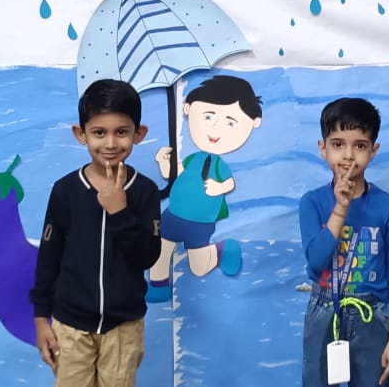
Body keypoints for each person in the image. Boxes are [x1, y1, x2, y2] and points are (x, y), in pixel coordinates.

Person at [31, 79, 163, 387]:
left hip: (123, 327)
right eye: (99, 132)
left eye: (122, 132)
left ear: (139, 133)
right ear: (81, 134)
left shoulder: (145, 191)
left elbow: (147, 256)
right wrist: (41, 319)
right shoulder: (65, 191)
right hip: (70, 326)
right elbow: (49, 258)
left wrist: (120, 211)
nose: (111, 143)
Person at [299, 98, 389, 387]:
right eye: (338, 144)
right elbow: (316, 261)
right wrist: (340, 209)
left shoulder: (388, 207)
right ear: (323, 148)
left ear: (373, 151)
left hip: (372, 314)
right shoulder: (312, 202)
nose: (348, 155)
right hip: (325, 309)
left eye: (359, 145)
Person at [147, 74, 262, 301]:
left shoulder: (218, 164)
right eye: (208, 116)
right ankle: (158, 285)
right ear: (188, 109)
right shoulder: (193, 159)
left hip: (200, 223)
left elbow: (229, 183)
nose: (215, 128)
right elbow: (172, 173)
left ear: (254, 123)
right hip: (173, 215)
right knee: (160, 251)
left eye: (230, 122)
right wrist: (163, 162)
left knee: (198, 267)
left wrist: (219, 187)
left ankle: (222, 250)